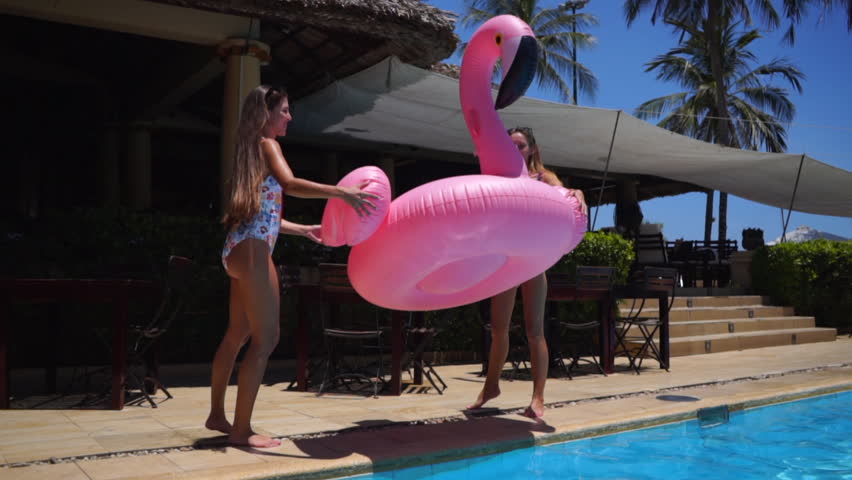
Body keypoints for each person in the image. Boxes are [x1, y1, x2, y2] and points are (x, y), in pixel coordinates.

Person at [204, 85, 378, 448]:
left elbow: (264, 215)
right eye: (283, 110)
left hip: (236, 249)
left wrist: (303, 229)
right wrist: (342, 192)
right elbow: (291, 184)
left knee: (236, 335)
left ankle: (217, 415)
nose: (289, 117)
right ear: (266, 113)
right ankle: (241, 430)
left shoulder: (250, 149)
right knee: (266, 339)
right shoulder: (269, 145)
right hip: (253, 251)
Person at [468, 126, 587, 419]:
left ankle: (538, 398)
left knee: (534, 331)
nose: (515, 151)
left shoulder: (542, 177)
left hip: (533, 261)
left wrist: (579, 193)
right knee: (498, 329)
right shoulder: (501, 177)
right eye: (510, 146)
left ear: (532, 149)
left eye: (520, 146)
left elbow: (565, 192)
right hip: (507, 260)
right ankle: (491, 387)